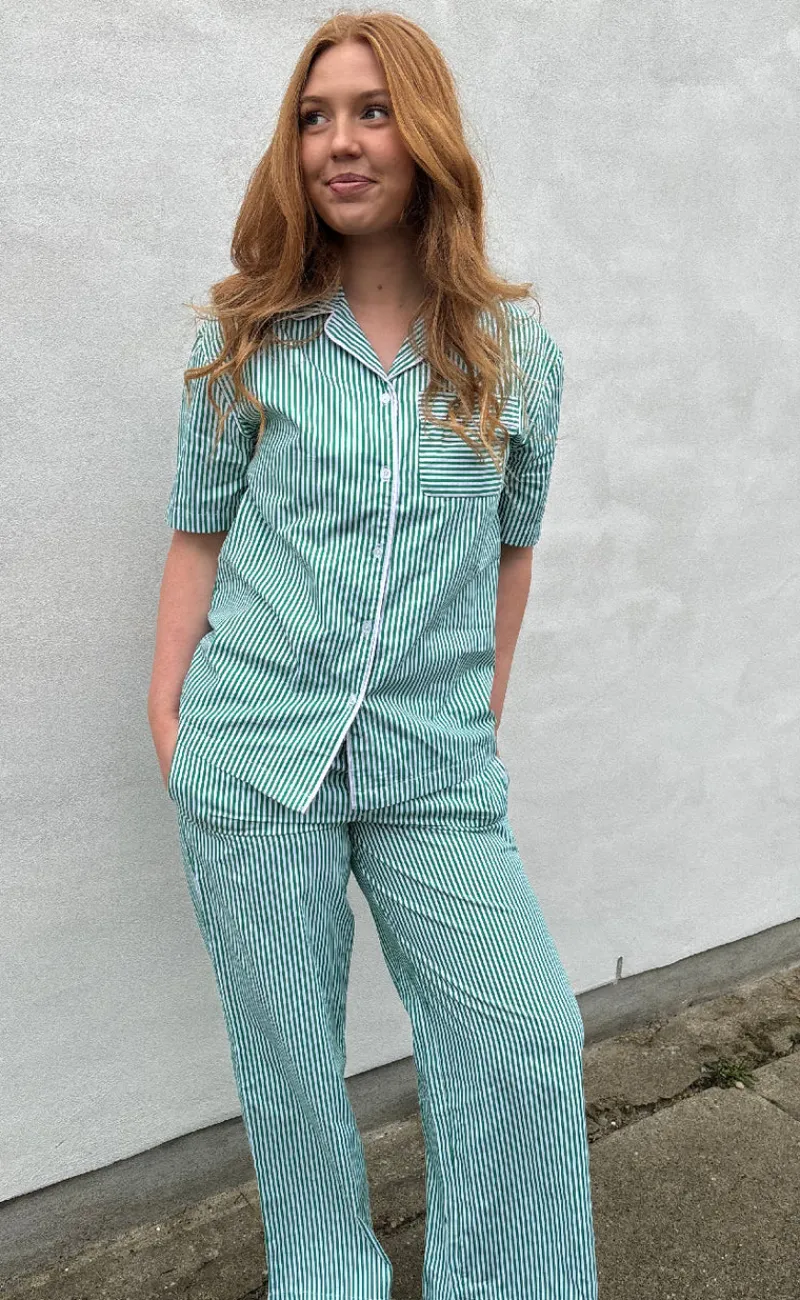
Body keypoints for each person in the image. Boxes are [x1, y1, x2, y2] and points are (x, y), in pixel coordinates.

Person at [148, 11, 598, 1299]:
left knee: (521, 1039)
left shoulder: (515, 357)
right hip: (255, 752)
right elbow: (199, 534)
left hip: (430, 766)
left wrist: (477, 718)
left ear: (428, 134)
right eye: (314, 118)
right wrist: (171, 721)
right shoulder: (243, 337)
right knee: (292, 1089)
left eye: (372, 111)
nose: (339, 143)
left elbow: (510, 554)